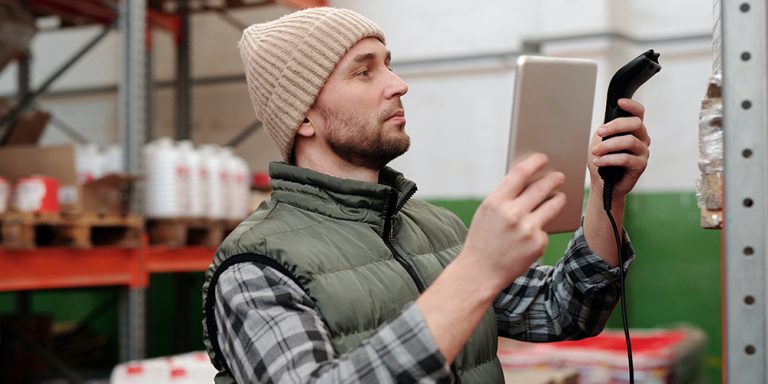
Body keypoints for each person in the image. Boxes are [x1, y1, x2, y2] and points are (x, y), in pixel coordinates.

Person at [202, 7, 650, 384]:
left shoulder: (435, 228)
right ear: (304, 118)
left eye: (388, 64)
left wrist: (607, 196)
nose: (398, 84)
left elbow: (563, 311)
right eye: (364, 71)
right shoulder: (254, 268)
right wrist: (476, 270)